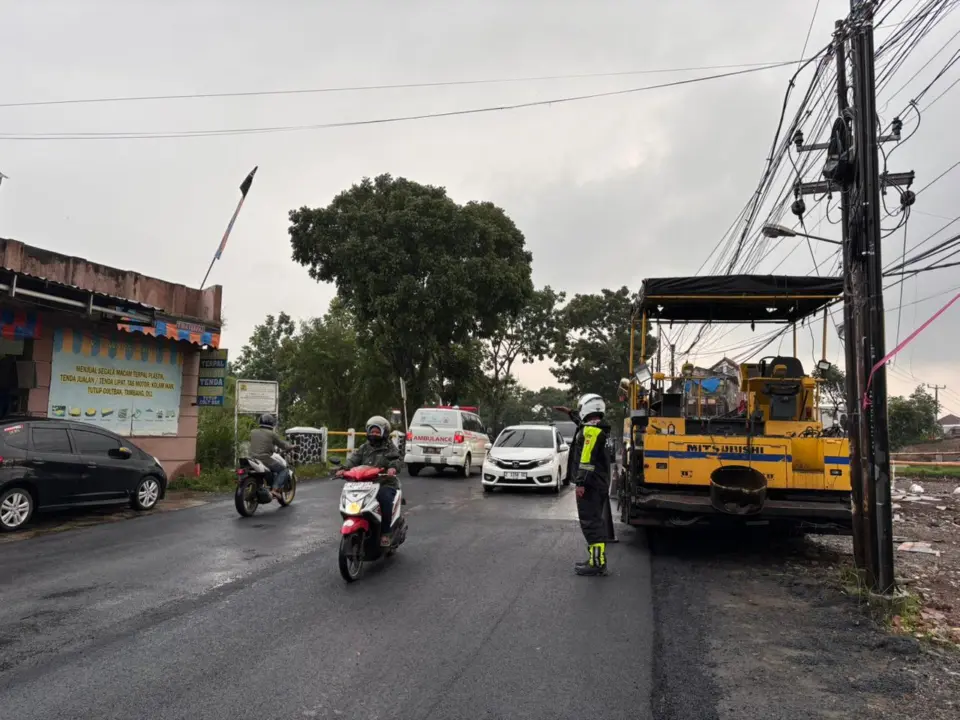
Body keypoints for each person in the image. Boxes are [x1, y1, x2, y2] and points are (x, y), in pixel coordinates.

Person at [338, 416, 402, 547]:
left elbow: (396, 460)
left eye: (377, 432)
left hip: (385, 482)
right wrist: (343, 469)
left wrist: (392, 468)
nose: (374, 434)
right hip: (364, 483)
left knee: (384, 500)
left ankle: (385, 533)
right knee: (351, 498)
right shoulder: (364, 448)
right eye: (372, 431)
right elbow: (353, 460)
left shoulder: (390, 448)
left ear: (384, 433)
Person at [571, 392, 613, 576]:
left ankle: (597, 563)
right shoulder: (600, 428)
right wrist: (571, 413)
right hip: (599, 482)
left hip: (590, 485)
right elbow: (582, 423)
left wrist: (580, 483)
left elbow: (586, 461)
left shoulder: (590, 432)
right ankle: (596, 559)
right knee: (595, 521)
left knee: (591, 523)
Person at [249, 414, 295, 500]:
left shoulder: (253, 432)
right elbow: (283, 445)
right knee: (284, 470)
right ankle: (275, 490)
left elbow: (260, 444)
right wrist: (291, 447)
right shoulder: (272, 434)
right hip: (264, 459)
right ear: (271, 423)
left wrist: (271, 448)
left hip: (252, 458)